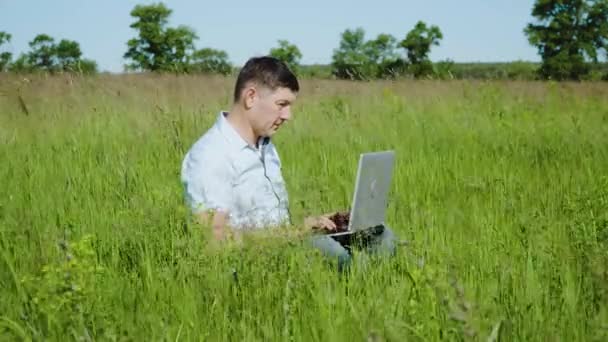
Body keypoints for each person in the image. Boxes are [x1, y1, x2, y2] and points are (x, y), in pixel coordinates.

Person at [180, 56, 396, 272]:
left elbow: (272, 220)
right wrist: (295, 233)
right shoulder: (210, 155)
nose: (288, 116)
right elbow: (215, 239)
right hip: (254, 258)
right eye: (281, 105)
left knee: (381, 235)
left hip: (287, 239)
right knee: (333, 254)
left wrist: (322, 223)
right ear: (251, 97)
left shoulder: (265, 144)